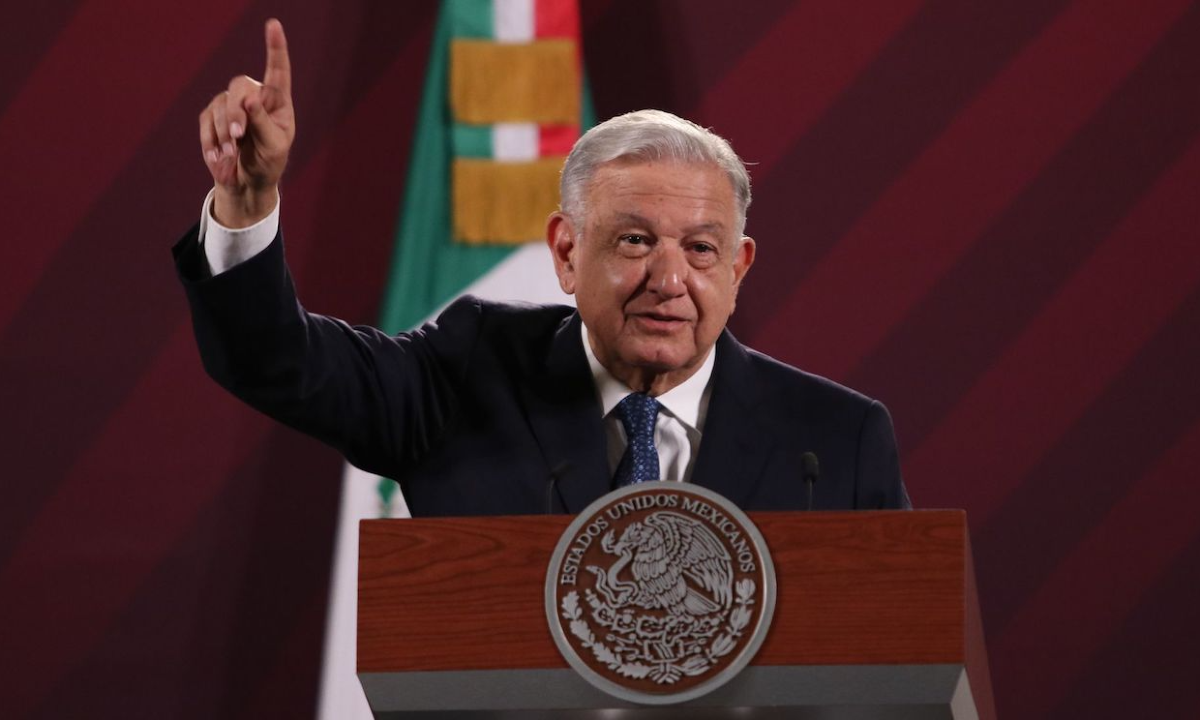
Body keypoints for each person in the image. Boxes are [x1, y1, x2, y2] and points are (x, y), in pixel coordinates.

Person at [175, 19, 910, 515]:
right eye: (634, 241)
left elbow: (901, 661)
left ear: (738, 268)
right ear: (566, 251)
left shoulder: (836, 443)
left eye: (700, 249)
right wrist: (248, 203)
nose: (669, 280)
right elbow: (276, 361)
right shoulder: (466, 376)